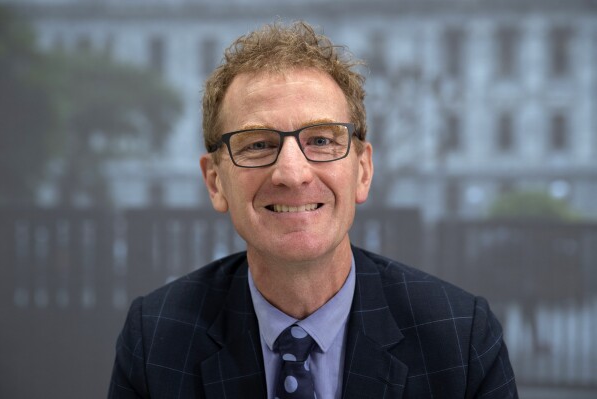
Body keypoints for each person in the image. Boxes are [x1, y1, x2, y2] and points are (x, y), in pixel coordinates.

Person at [109, 21, 518, 398]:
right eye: (257, 144)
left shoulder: (460, 338)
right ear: (216, 182)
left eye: (321, 140)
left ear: (362, 171)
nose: (292, 172)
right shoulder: (155, 338)